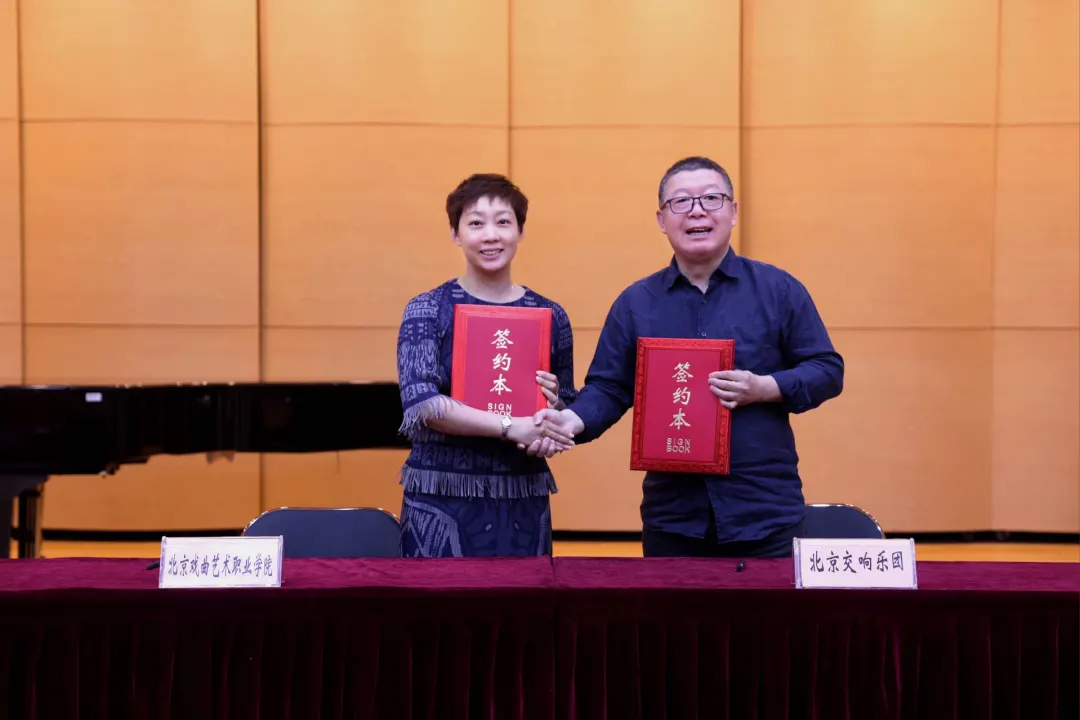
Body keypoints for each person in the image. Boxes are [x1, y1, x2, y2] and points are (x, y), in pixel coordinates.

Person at [530, 156, 844, 558]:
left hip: (764, 510)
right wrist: (571, 420)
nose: (697, 211)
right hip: (674, 516)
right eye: (681, 201)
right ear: (662, 219)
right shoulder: (636, 302)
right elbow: (609, 387)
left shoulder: (778, 290)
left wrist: (764, 387)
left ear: (733, 212)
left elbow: (827, 369)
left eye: (712, 198)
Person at [395, 173, 577, 558]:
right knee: (437, 599)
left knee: (523, 599)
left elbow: (568, 406)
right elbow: (422, 405)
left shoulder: (551, 315)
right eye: (476, 223)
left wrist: (552, 413)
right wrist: (513, 426)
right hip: (440, 497)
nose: (490, 235)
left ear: (520, 231)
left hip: (522, 495)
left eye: (503, 222)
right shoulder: (426, 310)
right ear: (455, 233)